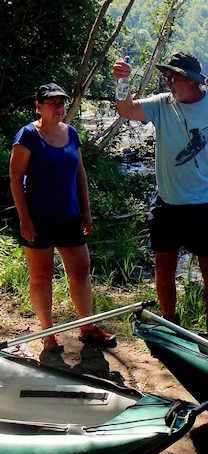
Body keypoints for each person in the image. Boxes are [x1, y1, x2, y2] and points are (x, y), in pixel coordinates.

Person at [112, 52, 208, 332]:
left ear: (191, 80)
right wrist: (122, 83)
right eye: (167, 78)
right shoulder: (162, 105)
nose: (168, 83)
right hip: (167, 202)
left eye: (172, 78)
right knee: (164, 267)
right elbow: (126, 111)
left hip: (207, 202)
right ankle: (170, 324)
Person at [10, 83, 116, 353]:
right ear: (39, 106)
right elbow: (15, 178)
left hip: (69, 216)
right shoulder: (27, 136)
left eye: (61, 102)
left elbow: (80, 173)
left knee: (80, 272)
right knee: (42, 275)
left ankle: (88, 327)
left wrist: (86, 211)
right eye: (52, 103)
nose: (58, 107)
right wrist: (25, 220)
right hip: (38, 218)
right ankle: (48, 333)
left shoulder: (70, 133)